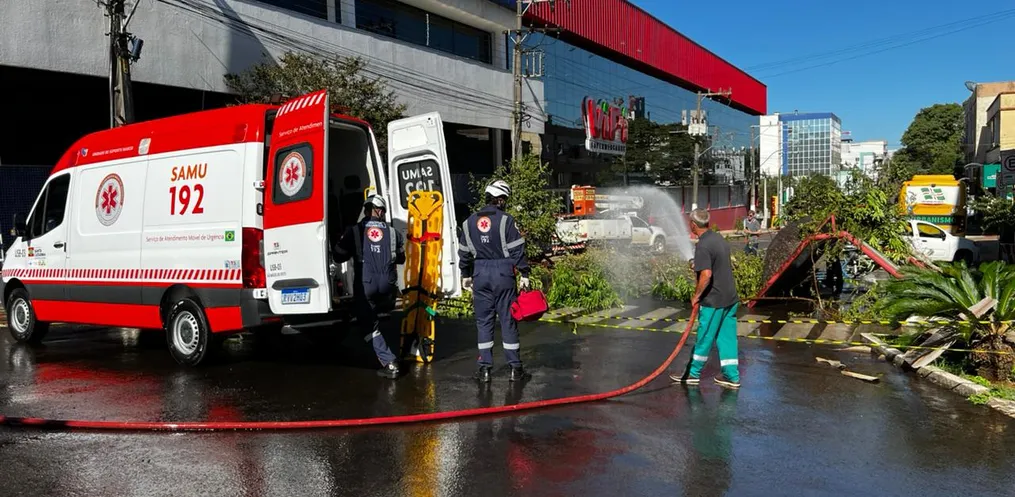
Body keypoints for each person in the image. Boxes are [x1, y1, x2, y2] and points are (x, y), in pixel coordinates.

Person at [458, 179, 532, 383]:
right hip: (503, 274)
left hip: (480, 274)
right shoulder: (506, 221)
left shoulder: (468, 222)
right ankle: (515, 369)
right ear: (500, 199)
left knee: (484, 322)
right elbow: (517, 250)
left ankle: (484, 370)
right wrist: (524, 273)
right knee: (508, 320)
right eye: (505, 199)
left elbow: (464, 253)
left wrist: (465, 274)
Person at [334, 194, 406, 379]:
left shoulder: (355, 231)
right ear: (382, 212)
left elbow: (338, 255)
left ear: (366, 210)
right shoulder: (394, 233)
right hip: (388, 287)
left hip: (367, 285)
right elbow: (401, 258)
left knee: (367, 325)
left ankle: (389, 363)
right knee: (379, 311)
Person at [672, 209, 741, 389]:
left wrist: (696, 296)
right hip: (730, 298)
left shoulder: (703, 245)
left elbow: (707, 274)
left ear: (693, 225)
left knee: (704, 337)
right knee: (727, 338)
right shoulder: (718, 239)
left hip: (713, 300)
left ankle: (692, 373)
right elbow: (714, 264)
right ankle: (732, 376)